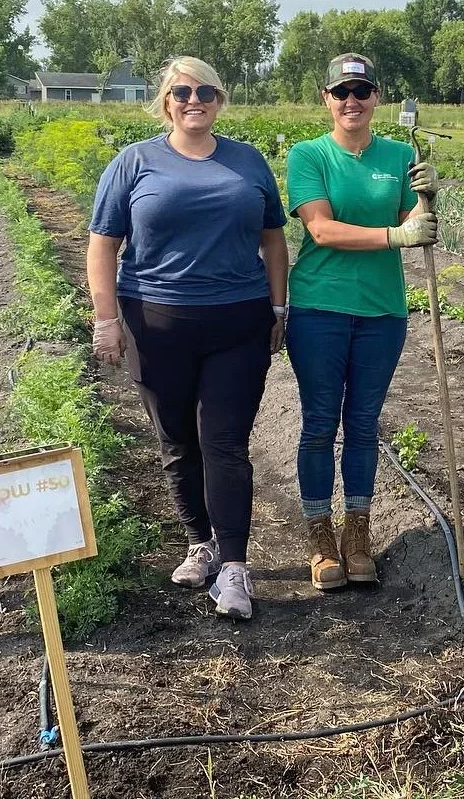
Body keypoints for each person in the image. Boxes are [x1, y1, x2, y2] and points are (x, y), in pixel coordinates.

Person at [87, 56, 288, 621]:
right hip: (155, 324)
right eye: (181, 92)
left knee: (224, 440)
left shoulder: (248, 162)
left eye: (205, 91)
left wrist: (278, 306)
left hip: (238, 321)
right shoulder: (135, 163)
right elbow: (103, 244)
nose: (193, 100)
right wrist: (106, 320)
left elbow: (274, 240)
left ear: (220, 99)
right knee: (177, 439)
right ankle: (199, 542)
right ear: (165, 101)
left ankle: (234, 566)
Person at [284, 53, 438, 591]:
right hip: (319, 308)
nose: (352, 101)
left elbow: (413, 223)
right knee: (321, 422)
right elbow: (321, 230)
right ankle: (319, 534)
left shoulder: (398, 155)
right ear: (327, 98)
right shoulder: (309, 155)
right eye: (341, 92)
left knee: (365, 425)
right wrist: (397, 237)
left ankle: (357, 528)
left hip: (382, 311)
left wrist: (423, 198)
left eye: (362, 91)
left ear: (377, 98)